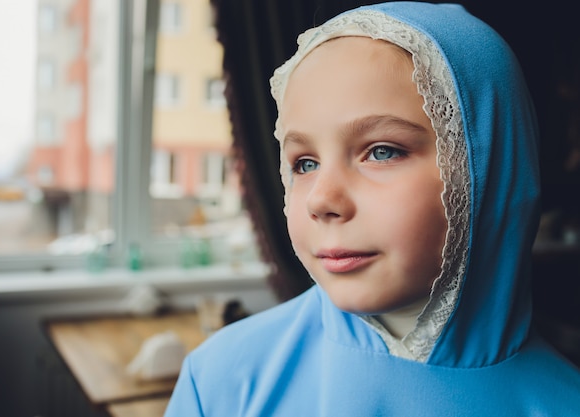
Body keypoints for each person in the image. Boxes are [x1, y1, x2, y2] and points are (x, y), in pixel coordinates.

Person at [164, 2, 580, 415]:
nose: (322, 200)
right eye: (304, 164)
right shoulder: (222, 381)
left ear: (489, 166)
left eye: (381, 152)